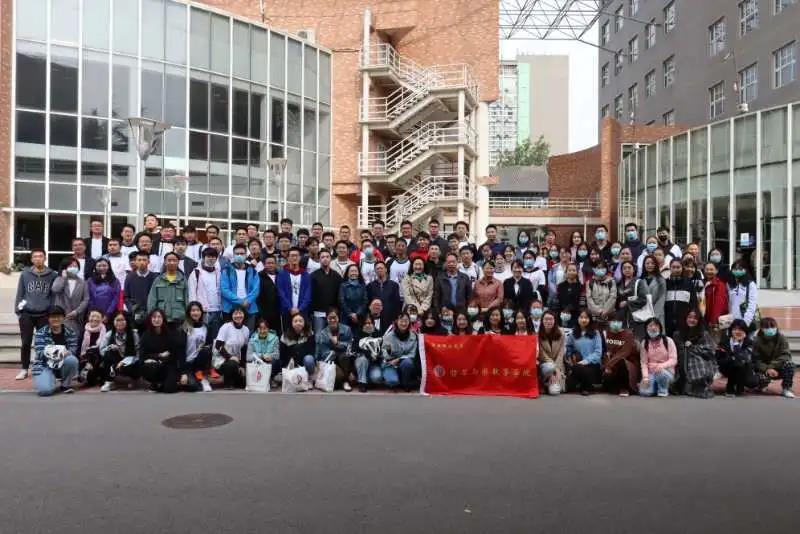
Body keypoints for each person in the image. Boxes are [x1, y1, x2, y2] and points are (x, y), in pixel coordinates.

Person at [15, 248, 58, 380]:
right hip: (27, 314)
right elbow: (20, 293)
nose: (38, 259)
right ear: (31, 259)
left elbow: (53, 295)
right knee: (26, 342)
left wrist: (52, 311)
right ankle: (24, 369)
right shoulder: (25, 274)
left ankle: (43, 367)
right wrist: (19, 311)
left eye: (40, 256)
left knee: (44, 343)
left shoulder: (52, 274)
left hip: (44, 314)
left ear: (45, 258)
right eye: (35, 256)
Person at [31, 306, 80, 396]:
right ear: (48, 318)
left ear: (63, 318)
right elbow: (40, 353)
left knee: (72, 360)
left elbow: (72, 350)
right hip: (44, 365)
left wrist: (56, 352)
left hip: (62, 363)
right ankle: (49, 378)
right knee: (45, 391)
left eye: (59, 316)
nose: (56, 319)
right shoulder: (41, 333)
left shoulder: (70, 332)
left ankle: (65, 384)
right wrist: (60, 352)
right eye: (53, 317)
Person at [672, 308, 717, 398]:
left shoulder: (704, 334)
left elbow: (710, 351)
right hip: (682, 363)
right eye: (690, 317)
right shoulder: (677, 334)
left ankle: (700, 386)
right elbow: (675, 351)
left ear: (699, 320)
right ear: (685, 318)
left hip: (702, 362)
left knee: (698, 361)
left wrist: (693, 347)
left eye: (695, 318)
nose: (692, 320)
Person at [98, 311, 141, 392]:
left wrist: (125, 361)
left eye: (122, 320)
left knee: (138, 364)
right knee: (109, 352)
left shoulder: (134, 334)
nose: (120, 322)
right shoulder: (109, 334)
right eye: (117, 320)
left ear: (127, 321)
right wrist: (109, 347)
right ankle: (109, 381)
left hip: (130, 360)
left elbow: (138, 353)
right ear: (113, 322)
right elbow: (101, 351)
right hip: (116, 359)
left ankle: (135, 379)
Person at [752, 317, 795, 398]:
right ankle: (762, 385)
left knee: (789, 364)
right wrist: (767, 369)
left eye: (772, 326)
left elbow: (786, 355)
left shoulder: (782, 338)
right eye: (767, 327)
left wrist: (772, 366)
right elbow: (756, 360)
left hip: (778, 367)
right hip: (764, 369)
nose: (770, 329)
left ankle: (786, 389)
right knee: (758, 376)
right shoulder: (757, 341)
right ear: (761, 328)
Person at [220, 244, 260, 330]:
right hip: (230, 308)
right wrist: (240, 301)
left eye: (242, 254)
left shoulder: (253, 271)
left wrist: (248, 301)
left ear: (246, 255)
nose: (239, 256)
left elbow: (256, 289)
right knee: (230, 334)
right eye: (237, 254)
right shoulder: (226, 270)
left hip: (249, 307)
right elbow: (224, 289)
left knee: (248, 333)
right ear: (233, 255)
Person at [139, 309, 180, 393]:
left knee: (169, 389)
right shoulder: (145, 335)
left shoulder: (169, 333)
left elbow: (174, 353)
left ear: (163, 319)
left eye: (159, 317)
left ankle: (163, 384)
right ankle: (154, 382)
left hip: (168, 364)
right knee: (150, 367)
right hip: (154, 364)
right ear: (150, 319)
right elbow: (142, 356)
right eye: (154, 317)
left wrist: (164, 359)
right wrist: (159, 356)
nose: (156, 319)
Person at [315, 308, 355, 391]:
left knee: (344, 357)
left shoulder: (347, 329)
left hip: (344, 360)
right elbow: (323, 353)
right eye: (330, 318)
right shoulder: (322, 334)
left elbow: (350, 346)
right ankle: (345, 379)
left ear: (338, 318)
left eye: (334, 317)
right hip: (331, 360)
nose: (332, 320)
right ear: (327, 319)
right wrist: (332, 352)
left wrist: (337, 343)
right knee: (339, 376)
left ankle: (345, 382)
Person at [565, 309, 603, 395]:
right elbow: (569, 349)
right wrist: (570, 357)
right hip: (577, 365)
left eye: (586, 318)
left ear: (590, 319)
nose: (583, 320)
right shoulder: (573, 334)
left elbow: (598, 353)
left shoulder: (596, 333)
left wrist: (586, 361)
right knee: (569, 386)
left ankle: (586, 386)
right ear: (578, 319)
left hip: (593, 365)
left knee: (578, 369)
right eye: (581, 317)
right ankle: (587, 386)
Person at [188, 248, 223, 341]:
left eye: (213, 257)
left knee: (215, 338)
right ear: (203, 258)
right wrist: (194, 311)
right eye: (208, 256)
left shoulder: (218, 272)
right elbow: (192, 293)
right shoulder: (196, 273)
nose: (211, 259)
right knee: (202, 338)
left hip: (217, 310)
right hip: (202, 311)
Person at [639, 318, 678, 398]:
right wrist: (645, 377)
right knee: (644, 392)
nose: (653, 328)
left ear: (660, 328)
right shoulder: (644, 343)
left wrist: (661, 366)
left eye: (656, 325)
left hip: (666, 372)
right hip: (651, 373)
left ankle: (663, 390)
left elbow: (673, 360)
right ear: (646, 328)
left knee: (660, 373)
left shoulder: (668, 341)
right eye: (650, 325)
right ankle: (655, 386)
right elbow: (644, 363)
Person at [178, 302, 213, 392]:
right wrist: (183, 372)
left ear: (201, 312)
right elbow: (180, 351)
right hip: (187, 363)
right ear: (189, 312)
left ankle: (203, 378)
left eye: (198, 310)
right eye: (193, 310)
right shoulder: (184, 328)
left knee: (206, 350)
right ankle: (190, 379)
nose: (195, 313)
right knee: (193, 387)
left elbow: (209, 346)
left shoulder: (206, 327)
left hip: (199, 363)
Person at [214, 307, 251, 389]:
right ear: (231, 315)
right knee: (232, 364)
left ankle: (235, 379)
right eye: (235, 313)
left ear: (244, 315)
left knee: (244, 383)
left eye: (240, 313)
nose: (238, 316)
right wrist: (230, 357)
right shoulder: (226, 327)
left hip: (237, 361)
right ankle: (227, 383)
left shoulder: (246, 330)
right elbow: (218, 345)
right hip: (222, 360)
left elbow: (244, 349)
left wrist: (242, 366)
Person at [716, 319, 754, 397]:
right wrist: (732, 358)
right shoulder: (724, 341)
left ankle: (740, 386)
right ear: (731, 330)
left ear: (745, 331)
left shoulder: (749, 342)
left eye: (740, 329)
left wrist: (736, 344)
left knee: (751, 380)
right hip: (727, 367)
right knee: (735, 362)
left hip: (744, 369)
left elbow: (745, 358)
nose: (737, 332)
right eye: (735, 329)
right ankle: (730, 387)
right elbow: (719, 359)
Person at [147, 252, 188, 326]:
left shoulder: (183, 280)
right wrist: (152, 317)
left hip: (179, 319)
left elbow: (187, 299)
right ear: (165, 262)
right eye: (169, 260)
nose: (172, 263)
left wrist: (188, 319)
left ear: (178, 262)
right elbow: (152, 300)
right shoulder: (158, 280)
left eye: (174, 260)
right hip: (162, 319)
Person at [51, 257, 89, 336]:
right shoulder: (59, 279)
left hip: (76, 318)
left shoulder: (83, 282)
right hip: (61, 316)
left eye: (75, 266)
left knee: (74, 339)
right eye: (70, 266)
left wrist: (76, 312)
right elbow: (55, 289)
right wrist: (63, 278)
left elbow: (86, 299)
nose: (73, 268)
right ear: (65, 268)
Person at [381, 313, 419, 392]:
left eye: (406, 321)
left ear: (409, 322)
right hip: (390, 364)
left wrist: (400, 359)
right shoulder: (389, 336)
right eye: (401, 321)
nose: (404, 323)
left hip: (404, 363)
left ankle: (406, 383)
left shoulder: (413, 336)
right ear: (396, 322)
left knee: (407, 362)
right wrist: (391, 359)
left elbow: (412, 354)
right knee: (392, 382)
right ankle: (397, 379)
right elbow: (385, 352)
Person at [602, 319, 639, 396]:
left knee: (621, 362)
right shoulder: (605, 334)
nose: (615, 324)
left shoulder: (628, 334)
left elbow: (625, 352)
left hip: (626, 363)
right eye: (613, 321)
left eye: (618, 321)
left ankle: (624, 388)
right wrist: (606, 365)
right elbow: (605, 352)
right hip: (610, 365)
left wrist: (609, 365)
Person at [277, 247, 312, 327]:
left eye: (296, 256)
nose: (294, 258)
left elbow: (308, 294)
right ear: (288, 258)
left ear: (300, 257)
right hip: (287, 311)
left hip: (302, 310)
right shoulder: (282, 274)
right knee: (287, 333)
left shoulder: (305, 275)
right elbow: (281, 294)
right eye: (292, 256)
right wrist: (290, 308)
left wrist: (300, 309)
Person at [309, 249, 342, 333]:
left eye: (327, 257)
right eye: (322, 257)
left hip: (333, 312)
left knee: (333, 335)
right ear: (319, 259)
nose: (325, 259)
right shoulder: (313, 276)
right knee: (319, 335)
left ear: (331, 259)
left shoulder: (336, 276)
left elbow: (340, 294)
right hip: (318, 312)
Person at [124, 251, 158, 330]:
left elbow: (158, 295)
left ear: (148, 262)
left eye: (144, 260)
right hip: (135, 313)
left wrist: (152, 310)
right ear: (135, 262)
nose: (142, 262)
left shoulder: (155, 277)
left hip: (151, 313)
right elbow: (126, 297)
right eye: (139, 260)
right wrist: (132, 308)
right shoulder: (129, 277)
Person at [664, 259, 697, 338]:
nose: (676, 269)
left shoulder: (688, 283)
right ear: (670, 268)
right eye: (673, 267)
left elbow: (693, 302)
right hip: (667, 322)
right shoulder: (665, 283)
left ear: (682, 268)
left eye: (678, 267)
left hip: (683, 322)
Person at [617, 261, 650, 339]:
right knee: (624, 341)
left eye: (629, 268)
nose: (627, 270)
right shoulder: (619, 283)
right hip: (622, 318)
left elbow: (643, 299)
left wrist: (627, 303)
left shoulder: (639, 282)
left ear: (634, 269)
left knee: (636, 341)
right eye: (624, 268)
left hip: (636, 318)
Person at [279, 312, 316, 377]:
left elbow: (312, 351)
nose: (298, 323)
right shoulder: (285, 336)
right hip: (290, 362)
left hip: (304, 361)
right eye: (295, 321)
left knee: (309, 359)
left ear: (304, 323)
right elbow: (282, 355)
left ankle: (310, 376)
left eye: (300, 321)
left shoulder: (310, 333)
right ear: (291, 323)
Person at [538, 310, 565, 395]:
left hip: (558, 365)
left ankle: (547, 384)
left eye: (551, 319)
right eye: (546, 319)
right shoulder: (538, 334)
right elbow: (542, 354)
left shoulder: (561, 333)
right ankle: (542, 382)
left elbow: (561, 353)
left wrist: (557, 369)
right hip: (545, 365)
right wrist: (553, 369)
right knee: (550, 367)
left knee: (554, 392)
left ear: (554, 321)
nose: (548, 321)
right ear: (542, 321)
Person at [246, 318, 280, 386]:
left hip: (269, 362)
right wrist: (261, 356)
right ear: (257, 330)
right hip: (257, 363)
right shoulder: (252, 340)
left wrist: (270, 356)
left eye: (264, 328)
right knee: (249, 362)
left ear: (268, 329)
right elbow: (248, 357)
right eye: (260, 329)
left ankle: (270, 379)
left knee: (275, 361)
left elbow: (277, 355)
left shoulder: (275, 338)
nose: (262, 331)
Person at [367, 262, 401, 327]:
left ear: (386, 270)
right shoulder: (370, 286)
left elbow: (397, 303)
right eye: (377, 268)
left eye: (381, 268)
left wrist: (396, 318)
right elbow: (368, 303)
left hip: (390, 319)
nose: (379, 270)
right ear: (375, 271)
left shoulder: (394, 285)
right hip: (375, 319)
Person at [77, 309, 106, 387]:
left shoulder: (105, 330)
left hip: (100, 357)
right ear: (88, 317)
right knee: (90, 382)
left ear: (102, 319)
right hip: (85, 357)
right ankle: (86, 370)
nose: (95, 319)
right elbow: (79, 347)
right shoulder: (84, 330)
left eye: (98, 317)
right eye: (92, 316)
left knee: (94, 351)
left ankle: (96, 373)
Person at [727, 260, 758, 330]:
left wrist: (746, 321)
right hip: (732, 320)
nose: (737, 271)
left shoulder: (750, 284)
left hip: (745, 320)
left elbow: (752, 304)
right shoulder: (729, 284)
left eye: (740, 269)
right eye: (735, 269)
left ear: (745, 270)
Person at [703, 261, 729, 341]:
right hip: (705, 321)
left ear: (716, 271)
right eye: (707, 269)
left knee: (715, 343)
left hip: (715, 323)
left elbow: (719, 304)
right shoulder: (703, 283)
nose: (709, 271)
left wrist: (714, 321)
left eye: (711, 269)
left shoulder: (719, 285)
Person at [586, 260, 616, 325]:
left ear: (606, 269)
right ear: (594, 269)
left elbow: (613, 297)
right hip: (594, 315)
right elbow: (589, 298)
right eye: (598, 268)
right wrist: (599, 311)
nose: (600, 270)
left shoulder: (611, 281)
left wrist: (605, 311)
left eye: (602, 268)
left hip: (608, 315)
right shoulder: (590, 282)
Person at [338, 264, 368, 328]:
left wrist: (357, 313)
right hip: (345, 317)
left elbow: (365, 300)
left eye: (355, 271)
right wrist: (350, 314)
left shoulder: (362, 285)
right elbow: (341, 301)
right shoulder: (343, 286)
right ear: (347, 273)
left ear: (358, 273)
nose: (353, 273)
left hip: (359, 316)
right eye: (351, 271)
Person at [641, 255, 666, 324]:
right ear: (644, 265)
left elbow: (661, 298)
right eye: (647, 263)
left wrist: (654, 316)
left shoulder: (661, 280)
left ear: (656, 265)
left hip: (657, 313)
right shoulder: (640, 280)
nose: (650, 265)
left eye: (652, 263)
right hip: (643, 314)